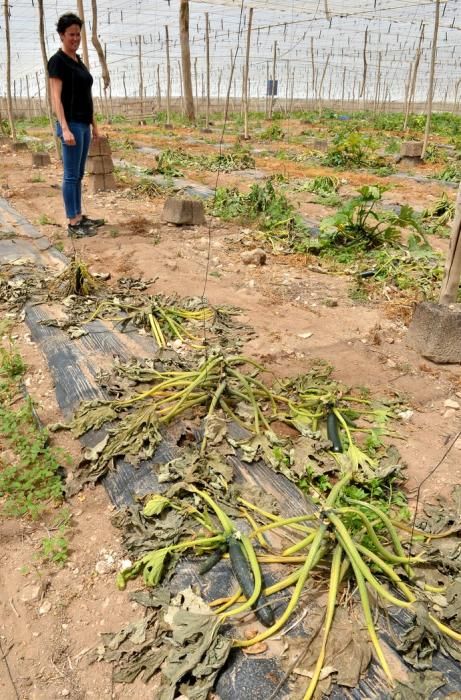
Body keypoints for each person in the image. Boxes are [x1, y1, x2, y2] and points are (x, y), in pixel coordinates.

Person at [48, 13, 105, 238]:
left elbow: (86, 96)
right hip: (70, 124)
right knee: (71, 175)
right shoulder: (58, 61)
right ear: (62, 35)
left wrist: (95, 125)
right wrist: (64, 127)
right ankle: (73, 222)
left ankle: (79, 215)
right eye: (71, 34)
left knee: (79, 174)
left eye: (78, 34)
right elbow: (56, 98)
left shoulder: (78, 61)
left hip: (83, 124)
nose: (75, 38)